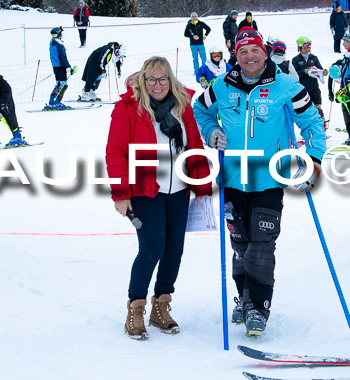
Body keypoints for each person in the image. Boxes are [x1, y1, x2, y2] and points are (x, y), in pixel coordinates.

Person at [193, 27, 326, 337]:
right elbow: (200, 109)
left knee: (261, 247)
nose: (249, 57)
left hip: (268, 178)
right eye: (243, 53)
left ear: (264, 53)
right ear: (236, 58)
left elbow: (311, 123)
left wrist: (315, 161)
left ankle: (258, 306)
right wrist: (211, 131)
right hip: (232, 179)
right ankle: (245, 298)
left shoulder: (287, 85)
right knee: (240, 245)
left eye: (254, 51)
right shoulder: (222, 86)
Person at [106, 56, 213, 340]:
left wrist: (201, 185)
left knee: (173, 251)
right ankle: (136, 308)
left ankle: (161, 307)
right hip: (145, 190)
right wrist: (120, 194)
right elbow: (116, 152)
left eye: (163, 79)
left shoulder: (182, 106)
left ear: (170, 80)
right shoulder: (128, 108)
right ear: (143, 80)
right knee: (151, 249)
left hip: (178, 190)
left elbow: (194, 145)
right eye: (151, 79)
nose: (157, 85)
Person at [291, 36, 326, 121]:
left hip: (314, 88)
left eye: (309, 47)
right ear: (300, 48)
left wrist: (323, 72)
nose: (307, 50)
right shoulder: (296, 60)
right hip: (303, 89)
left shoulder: (314, 58)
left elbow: (320, 69)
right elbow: (294, 75)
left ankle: (323, 128)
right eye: (305, 48)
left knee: (318, 109)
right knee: (306, 110)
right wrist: (305, 71)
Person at [47, 26, 75, 110]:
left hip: (56, 67)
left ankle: (52, 101)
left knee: (58, 85)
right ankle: (56, 103)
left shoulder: (52, 43)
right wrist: (68, 67)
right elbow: (63, 57)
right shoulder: (59, 44)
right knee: (63, 85)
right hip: (61, 66)